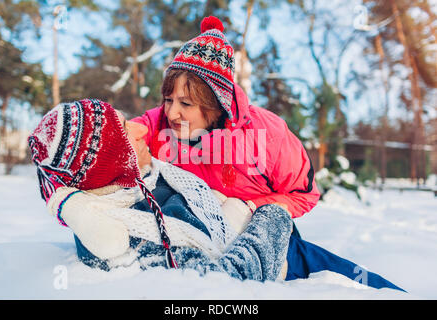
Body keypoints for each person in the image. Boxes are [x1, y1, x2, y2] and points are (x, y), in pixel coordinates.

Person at [28, 98, 293, 281]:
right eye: (125, 128)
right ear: (110, 161)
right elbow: (225, 283)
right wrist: (271, 218)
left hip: (247, 229)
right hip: (265, 240)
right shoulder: (140, 237)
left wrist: (233, 207)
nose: (141, 129)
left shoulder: (149, 179)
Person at [131, 16, 321, 220]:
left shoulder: (266, 136)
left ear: (217, 105)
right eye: (168, 100)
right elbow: (120, 136)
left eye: (185, 103)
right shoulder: (157, 123)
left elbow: (303, 195)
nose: (171, 113)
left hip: (258, 233)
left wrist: (248, 209)